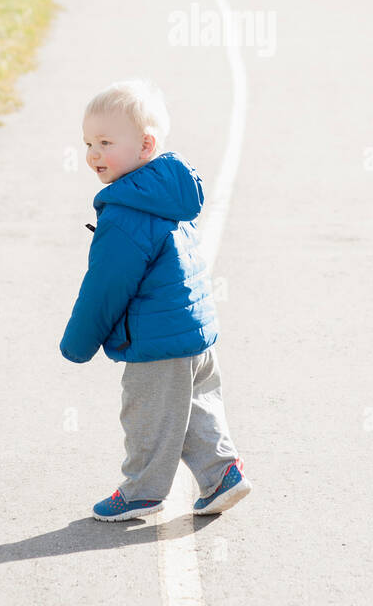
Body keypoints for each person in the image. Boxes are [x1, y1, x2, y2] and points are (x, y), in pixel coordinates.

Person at [59, 76, 251, 521]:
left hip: (158, 341)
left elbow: (106, 285)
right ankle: (222, 475)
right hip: (192, 333)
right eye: (88, 143)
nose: (93, 154)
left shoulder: (127, 212)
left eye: (106, 142)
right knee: (192, 407)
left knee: (147, 413)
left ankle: (142, 490)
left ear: (146, 145)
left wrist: (78, 342)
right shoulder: (168, 194)